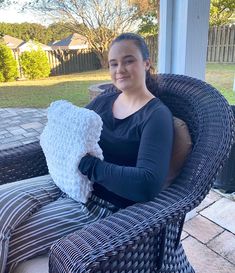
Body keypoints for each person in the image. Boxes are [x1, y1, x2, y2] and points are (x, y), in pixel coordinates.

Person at [0, 33, 173, 273]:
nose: (119, 69)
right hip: (65, 181)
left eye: (128, 60)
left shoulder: (156, 116)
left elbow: (146, 184)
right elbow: (72, 127)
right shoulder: (106, 100)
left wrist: (88, 166)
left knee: (12, 247)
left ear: (146, 63)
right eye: (113, 63)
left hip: (97, 206)